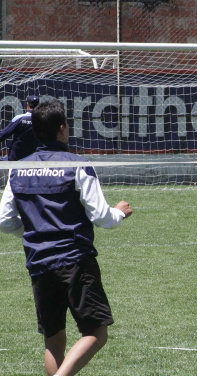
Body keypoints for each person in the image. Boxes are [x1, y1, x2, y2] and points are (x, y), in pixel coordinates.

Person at [0, 98, 133, 376]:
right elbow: (101, 217)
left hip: (39, 263)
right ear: (62, 128)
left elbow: (4, 220)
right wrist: (119, 213)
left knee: (53, 340)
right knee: (96, 332)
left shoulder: (19, 169)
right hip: (74, 260)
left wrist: (35, 229)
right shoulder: (77, 164)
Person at [0, 95, 40, 160]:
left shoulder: (20, 118)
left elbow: (3, 135)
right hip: (33, 159)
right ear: (38, 105)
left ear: (27, 104)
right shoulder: (42, 120)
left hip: (15, 159)